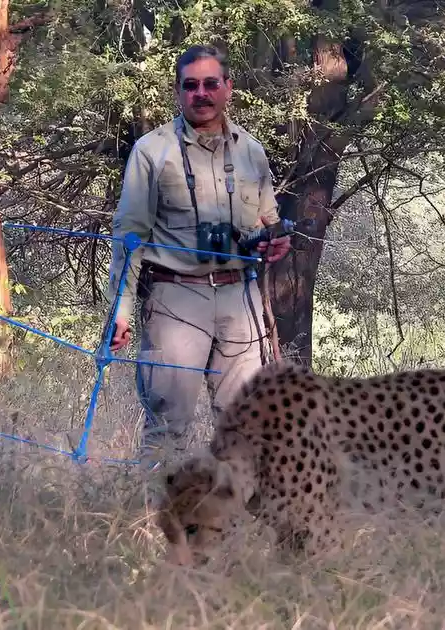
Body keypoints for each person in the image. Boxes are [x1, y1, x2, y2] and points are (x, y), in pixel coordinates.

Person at [107, 44, 291, 467]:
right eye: (191, 86)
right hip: (175, 297)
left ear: (228, 87)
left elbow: (269, 220)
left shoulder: (252, 151)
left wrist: (274, 241)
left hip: (240, 298)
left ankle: (236, 510)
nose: (201, 93)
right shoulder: (152, 150)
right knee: (168, 429)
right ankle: (152, 509)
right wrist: (121, 308)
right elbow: (129, 235)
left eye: (211, 84)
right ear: (178, 92)